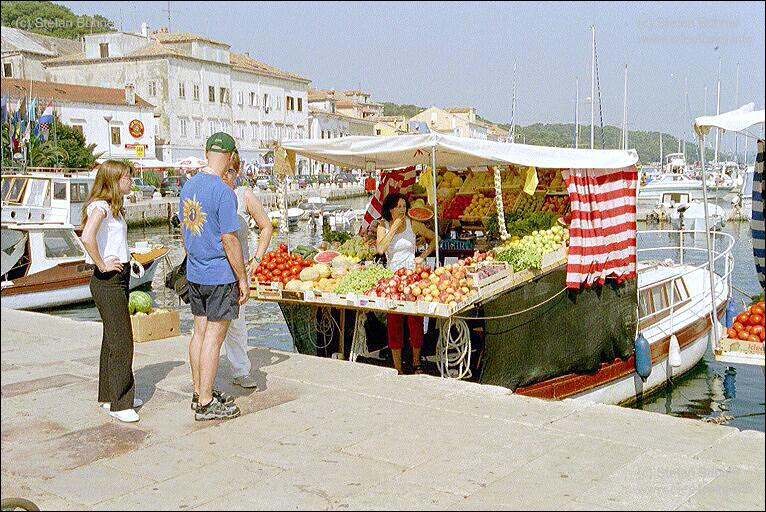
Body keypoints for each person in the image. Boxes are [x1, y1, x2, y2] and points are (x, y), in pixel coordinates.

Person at [179, 132, 249, 421]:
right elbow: (230, 240)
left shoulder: (188, 185)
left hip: (195, 270)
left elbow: (184, 231)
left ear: (205, 152)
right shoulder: (223, 192)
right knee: (214, 339)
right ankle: (207, 403)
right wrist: (242, 278)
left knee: (198, 333)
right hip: (219, 274)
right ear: (231, 157)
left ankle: (199, 391)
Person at [80, 160, 142, 423]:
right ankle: (121, 402)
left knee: (110, 340)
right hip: (108, 281)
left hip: (120, 276)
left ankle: (108, 395)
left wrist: (131, 259)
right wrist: (102, 263)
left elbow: (114, 242)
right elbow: (87, 237)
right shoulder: (101, 207)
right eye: (127, 177)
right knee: (122, 342)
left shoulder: (116, 209)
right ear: (115, 180)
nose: (130, 181)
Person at [220, 149, 273, 388]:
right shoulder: (212, 194)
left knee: (237, 324)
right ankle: (202, 378)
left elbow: (266, 226)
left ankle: (241, 369)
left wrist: (257, 259)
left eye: (230, 171)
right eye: (223, 171)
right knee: (206, 328)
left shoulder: (244, 195)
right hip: (212, 269)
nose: (226, 176)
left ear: (237, 171)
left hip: (237, 270)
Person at [376, 193, 435, 375]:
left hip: (412, 277)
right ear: (390, 209)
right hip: (392, 279)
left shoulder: (413, 224)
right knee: (394, 322)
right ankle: (398, 367)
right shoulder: (383, 226)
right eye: (399, 207)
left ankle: (416, 362)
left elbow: (434, 238)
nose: (403, 210)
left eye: (404, 206)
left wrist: (422, 257)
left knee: (415, 321)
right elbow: (380, 249)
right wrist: (393, 228)